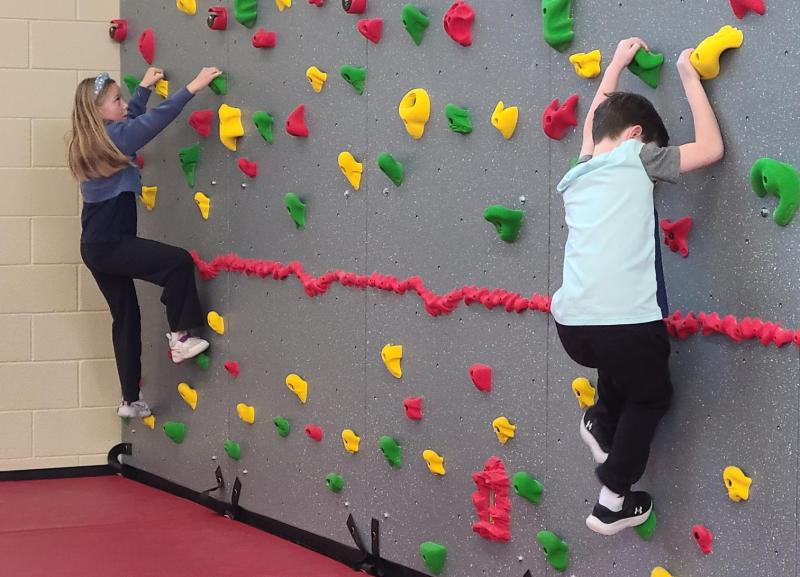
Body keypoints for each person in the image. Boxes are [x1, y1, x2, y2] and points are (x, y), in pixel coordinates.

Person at [551, 38, 724, 535]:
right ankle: (611, 500)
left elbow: (594, 122)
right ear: (636, 136)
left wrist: (615, 65)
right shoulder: (637, 160)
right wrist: (689, 75)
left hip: (574, 327)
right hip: (623, 322)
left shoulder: (579, 173)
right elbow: (711, 149)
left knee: (623, 365)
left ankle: (601, 422)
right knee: (651, 396)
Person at [67, 66, 222, 419]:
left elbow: (131, 123)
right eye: (116, 100)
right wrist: (192, 87)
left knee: (126, 319)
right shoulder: (114, 139)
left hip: (96, 246)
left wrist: (143, 92)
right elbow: (149, 125)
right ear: (98, 113)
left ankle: (129, 400)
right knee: (178, 262)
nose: (123, 105)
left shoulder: (97, 140)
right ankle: (180, 338)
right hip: (110, 243)